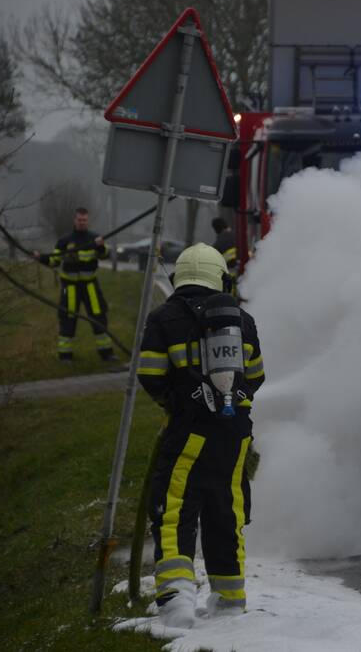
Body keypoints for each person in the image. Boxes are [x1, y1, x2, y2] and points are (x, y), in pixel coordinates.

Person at [136, 243, 265, 628]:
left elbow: (150, 373)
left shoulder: (163, 318)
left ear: (178, 278)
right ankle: (229, 598)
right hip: (235, 433)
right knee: (227, 509)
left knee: (176, 507)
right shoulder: (242, 319)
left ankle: (176, 601)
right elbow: (256, 376)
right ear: (218, 278)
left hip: (189, 431)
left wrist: (176, 403)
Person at [32, 206, 115, 361]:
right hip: (70, 288)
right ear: (74, 220)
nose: (82, 222)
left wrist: (101, 246)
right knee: (67, 319)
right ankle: (65, 355)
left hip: (90, 286)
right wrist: (40, 258)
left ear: (87, 220)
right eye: (79, 219)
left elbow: (105, 255)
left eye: (84, 220)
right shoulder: (64, 241)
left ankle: (107, 353)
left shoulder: (95, 239)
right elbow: (53, 261)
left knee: (99, 317)